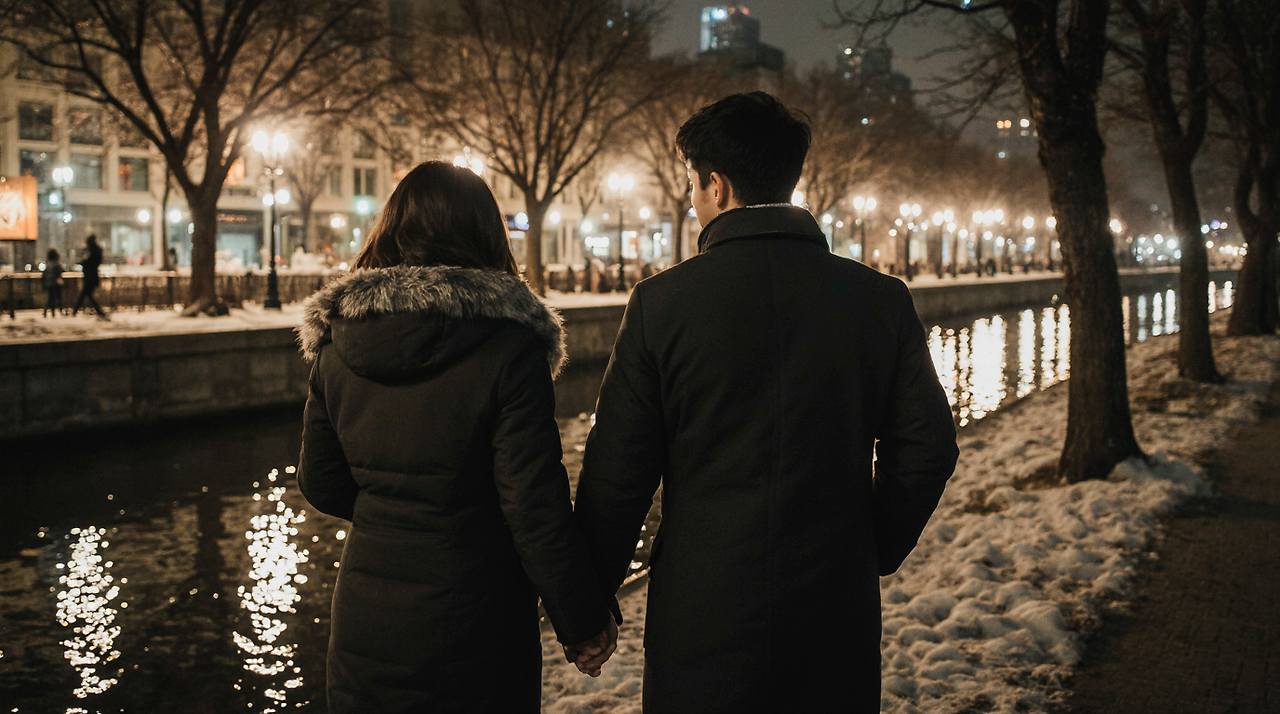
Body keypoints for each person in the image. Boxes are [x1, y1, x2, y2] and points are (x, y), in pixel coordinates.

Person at [573, 92, 959, 713]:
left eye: (693, 186)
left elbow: (618, 475)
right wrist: (873, 546)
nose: (692, 201)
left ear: (717, 186)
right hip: (834, 606)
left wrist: (587, 601)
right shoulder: (879, 300)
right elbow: (929, 448)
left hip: (705, 613)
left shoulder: (661, 306)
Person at [295, 161, 617, 714]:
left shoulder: (337, 343)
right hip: (474, 619)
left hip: (366, 621)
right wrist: (582, 620)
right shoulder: (509, 346)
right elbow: (532, 504)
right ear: (486, 234)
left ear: (390, 228)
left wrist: (395, 514)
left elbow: (320, 481)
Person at [72, 234, 108, 320]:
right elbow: (97, 262)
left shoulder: (88, 251)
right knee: (87, 295)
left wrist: (82, 262)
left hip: (88, 276)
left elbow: (86, 262)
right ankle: (100, 312)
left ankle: (75, 312)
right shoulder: (97, 251)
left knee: (84, 294)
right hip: (93, 276)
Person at [42, 248, 64, 317]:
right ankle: (60, 311)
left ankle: (47, 312)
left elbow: (44, 275)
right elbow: (60, 272)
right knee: (58, 297)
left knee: (50, 298)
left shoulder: (47, 264)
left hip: (49, 283)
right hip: (56, 283)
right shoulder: (57, 264)